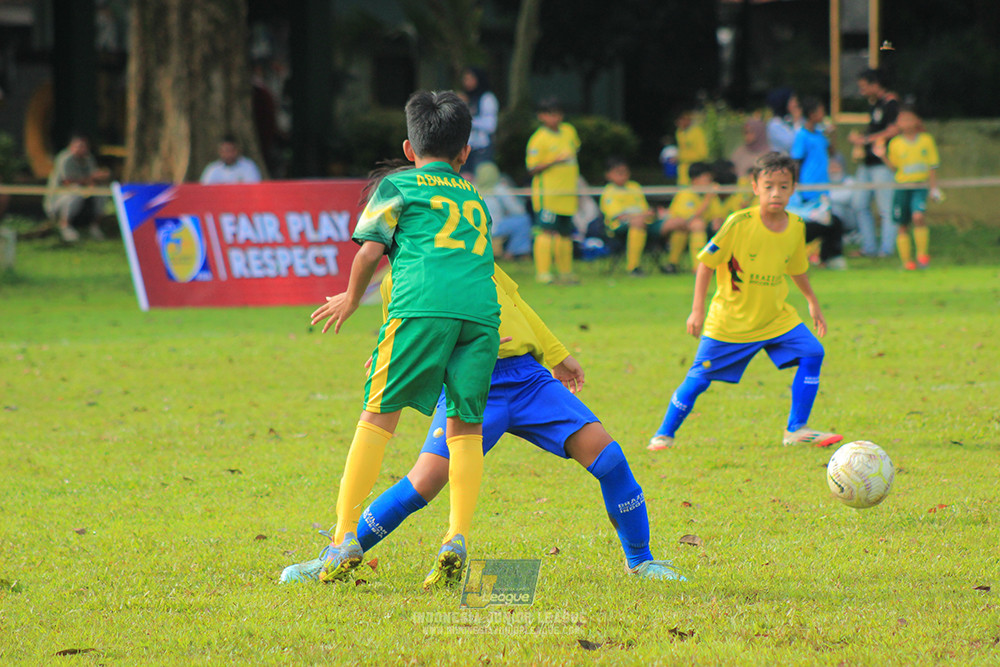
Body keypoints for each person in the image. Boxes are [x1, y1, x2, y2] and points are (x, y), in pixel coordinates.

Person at [281, 263, 684, 583]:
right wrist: (390, 352)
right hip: (469, 384)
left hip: (528, 380)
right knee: (423, 482)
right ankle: (335, 556)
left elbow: (517, 304)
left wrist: (558, 353)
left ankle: (641, 562)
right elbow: (404, 331)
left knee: (609, 458)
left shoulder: (478, 250)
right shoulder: (400, 275)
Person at [305, 91, 501, 588]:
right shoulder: (474, 196)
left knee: (378, 415)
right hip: (481, 314)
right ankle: (456, 536)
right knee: (465, 426)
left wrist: (351, 299)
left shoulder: (397, 184)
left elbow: (370, 252)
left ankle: (343, 537)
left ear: (410, 149)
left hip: (421, 308)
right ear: (464, 152)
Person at [648, 152, 842, 451]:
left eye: (783, 186)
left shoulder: (796, 226)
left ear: (793, 189)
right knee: (699, 380)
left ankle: (796, 429)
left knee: (813, 352)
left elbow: (797, 268)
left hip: (775, 317)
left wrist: (812, 301)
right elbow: (706, 265)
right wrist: (697, 309)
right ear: (755, 187)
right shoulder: (738, 222)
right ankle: (663, 434)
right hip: (731, 321)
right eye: (768, 186)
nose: (775, 193)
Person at [873, 104, 941, 270]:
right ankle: (907, 262)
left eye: (909, 118)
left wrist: (934, 188)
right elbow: (895, 168)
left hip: (919, 186)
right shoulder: (895, 143)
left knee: (918, 217)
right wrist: (882, 157)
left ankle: (922, 256)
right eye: (902, 119)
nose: (906, 122)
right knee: (902, 224)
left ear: (917, 120)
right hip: (902, 187)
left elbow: (933, 166)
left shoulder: (926, 140)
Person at [526, 97, 580, 284]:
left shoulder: (569, 131)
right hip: (548, 195)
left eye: (558, 113)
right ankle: (543, 273)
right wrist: (555, 161)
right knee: (546, 232)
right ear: (541, 116)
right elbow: (531, 168)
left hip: (568, 194)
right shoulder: (538, 139)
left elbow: (575, 152)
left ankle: (566, 272)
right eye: (550, 114)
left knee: (565, 234)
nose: (555, 118)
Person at [848, 68, 900, 257]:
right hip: (867, 162)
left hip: (883, 163)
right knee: (859, 204)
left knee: (886, 208)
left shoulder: (891, 103)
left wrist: (867, 140)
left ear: (875, 84)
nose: (861, 91)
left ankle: (886, 250)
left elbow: (894, 130)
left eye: (863, 86)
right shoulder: (874, 104)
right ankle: (868, 247)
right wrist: (861, 139)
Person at [44, 133, 112, 243]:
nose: (82, 149)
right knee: (75, 191)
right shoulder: (65, 159)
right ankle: (65, 225)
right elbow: (67, 182)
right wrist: (91, 178)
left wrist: (100, 177)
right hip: (59, 199)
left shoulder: (88, 158)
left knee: (101, 193)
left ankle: (94, 226)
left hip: (83, 197)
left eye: (84, 146)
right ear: (71, 147)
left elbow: (91, 180)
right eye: (78, 146)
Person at [599, 157, 659, 276]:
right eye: (618, 173)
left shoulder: (634, 187)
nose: (623, 176)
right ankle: (633, 267)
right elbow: (618, 215)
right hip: (618, 227)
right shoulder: (608, 191)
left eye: (625, 172)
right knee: (637, 222)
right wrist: (640, 215)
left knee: (677, 223)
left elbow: (645, 209)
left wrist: (650, 213)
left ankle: (673, 264)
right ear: (608, 175)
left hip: (645, 222)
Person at [662, 161, 717, 274]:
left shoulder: (708, 195)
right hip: (676, 231)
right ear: (695, 180)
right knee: (695, 225)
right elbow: (687, 219)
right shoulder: (685, 194)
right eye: (707, 180)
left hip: (704, 230)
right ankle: (693, 266)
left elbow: (715, 215)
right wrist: (706, 202)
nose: (710, 183)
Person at [474, 162, 532, 260]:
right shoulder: (500, 189)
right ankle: (514, 252)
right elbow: (518, 210)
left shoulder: (471, 187)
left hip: (475, 227)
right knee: (523, 220)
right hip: (496, 227)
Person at [461, 67, 499, 173]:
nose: (467, 82)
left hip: (482, 148)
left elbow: (490, 125)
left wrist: (468, 121)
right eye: (465, 79)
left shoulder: (487, 98)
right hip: (467, 147)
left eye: (470, 79)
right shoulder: (466, 97)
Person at [674, 109, 709, 185]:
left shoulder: (697, 132)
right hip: (682, 175)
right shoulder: (679, 132)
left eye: (682, 119)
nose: (679, 123)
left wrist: (681, 157)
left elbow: (702, 154)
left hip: (693, 175)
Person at [765, 89, 802, 155]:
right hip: (782, 162)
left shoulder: (789, 119)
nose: (796, 104)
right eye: (792, 101)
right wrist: (797, 122)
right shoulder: (774, 124)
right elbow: (792, 144)